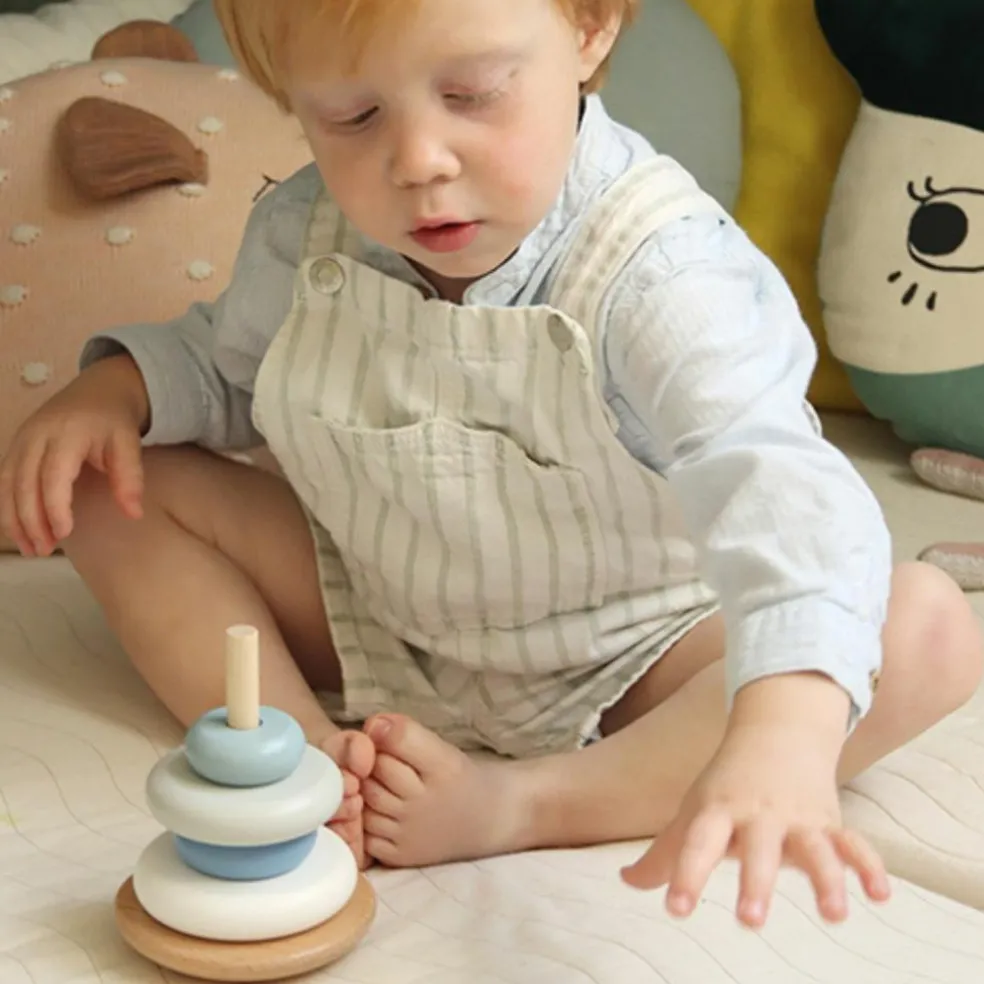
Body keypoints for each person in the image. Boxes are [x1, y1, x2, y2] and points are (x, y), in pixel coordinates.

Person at [1, 0, 981, 931]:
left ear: (590, 28)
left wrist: (786, 726)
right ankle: (306, 763)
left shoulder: (664, 270)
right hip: (376, 605)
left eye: (472, 94)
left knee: (925, 627)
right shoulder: (304, 231)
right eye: (351, 115)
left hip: (634, 654)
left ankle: (523, 803)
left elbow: (778, 489)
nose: (418, 160)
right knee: (106, 480)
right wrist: (119, 389)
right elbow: (228, 372)